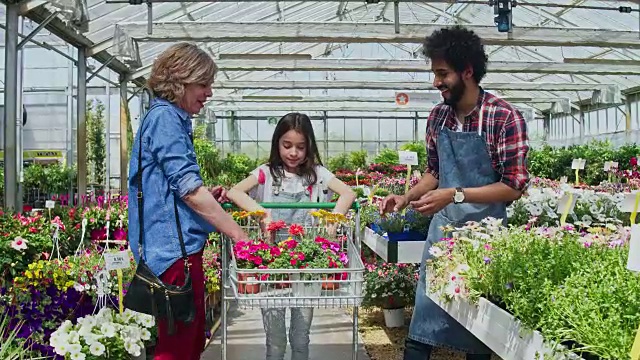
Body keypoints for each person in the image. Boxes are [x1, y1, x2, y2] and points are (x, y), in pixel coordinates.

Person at [379, 26, 530, 360]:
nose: (436, 82)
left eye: (442, 73)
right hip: (443, 236)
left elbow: (513, 187)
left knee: (479, 329)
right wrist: (405, 198)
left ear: (467, 71)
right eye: (435, 73)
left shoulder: (504, 117)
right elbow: (435, 172)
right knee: (422, 325)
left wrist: (455, 195)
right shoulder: (437, 117)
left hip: (485, 242)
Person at [128, 42, 249, 360]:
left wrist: (208, 195)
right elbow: (189, 191)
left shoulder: (164, 117)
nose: (208, 92)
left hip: (172, 250)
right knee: (178, 348)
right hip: (173, 255)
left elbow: (178, 188)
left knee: (187, 342)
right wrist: (238, 234)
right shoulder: (166, 119)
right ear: (181, 79)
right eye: (203, 84)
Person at [226, 112, 356, 360]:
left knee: (301, 335)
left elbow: (347, 193)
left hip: (306, 266)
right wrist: (262, 214)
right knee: (274, 339)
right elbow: (235, 192)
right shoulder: (266, 173)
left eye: (300, 147)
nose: (293, 153)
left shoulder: (317, 174)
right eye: (287, 145)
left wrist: (333, 220)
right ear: (277, 143)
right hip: (272, 266)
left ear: (309, 147)